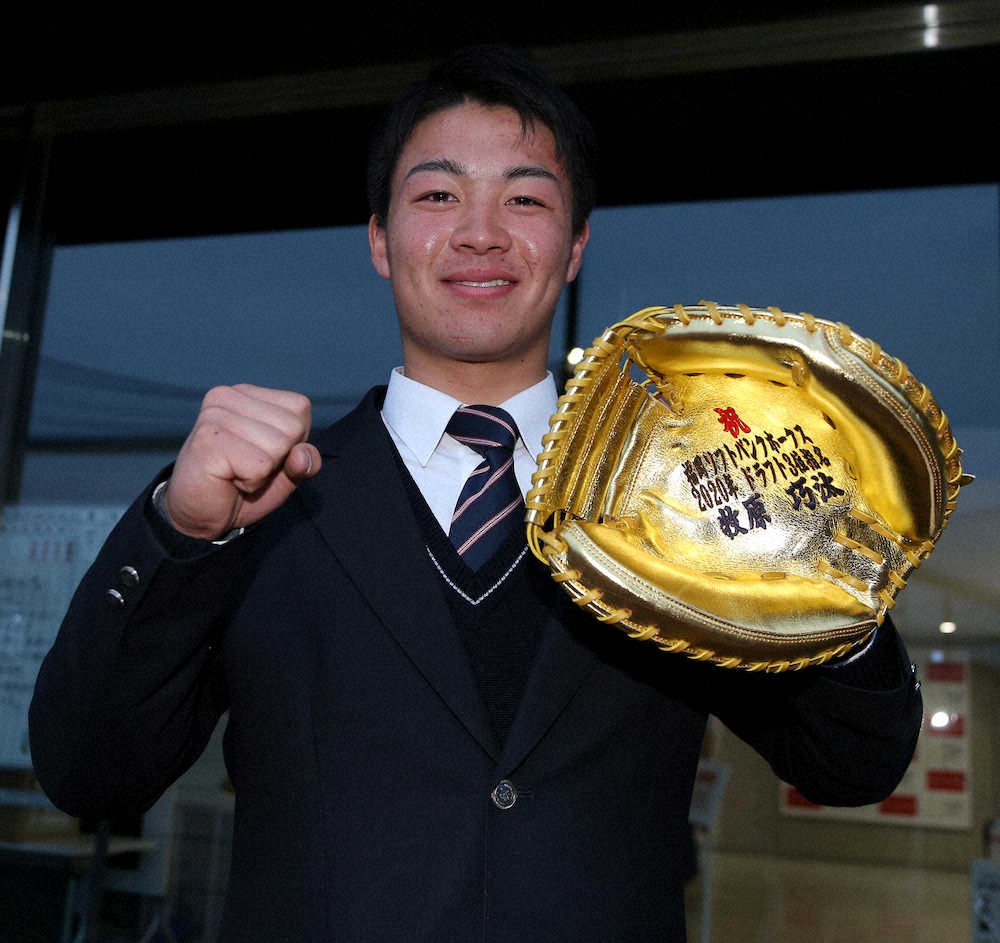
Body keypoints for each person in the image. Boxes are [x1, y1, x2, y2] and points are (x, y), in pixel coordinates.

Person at [29, 47, 922, 943]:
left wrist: (817, 572)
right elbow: (88, 771)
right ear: (380, 240)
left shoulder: (674, 506)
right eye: (438, 195)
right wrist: (178, 534)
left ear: (574, 248)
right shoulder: (260, 503)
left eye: (525, 200)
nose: (481, 234)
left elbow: (853, 760)